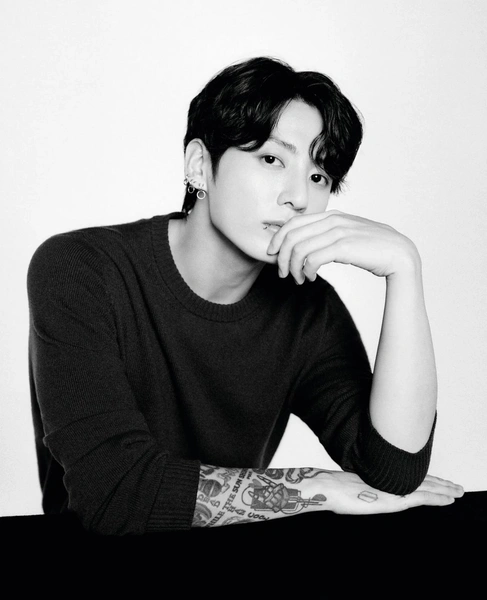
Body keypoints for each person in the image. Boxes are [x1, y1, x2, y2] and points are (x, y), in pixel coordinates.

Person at [27, 56, 463, 535]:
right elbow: (114, 494)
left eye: (318, 175)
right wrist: (318, 488)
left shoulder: (308, 308)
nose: (299, 197)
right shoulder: (82, 269)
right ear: (199, 165)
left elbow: (393, 470)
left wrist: (405, 269)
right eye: (272, 159)